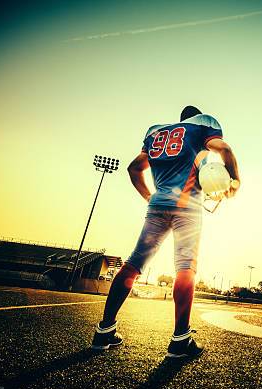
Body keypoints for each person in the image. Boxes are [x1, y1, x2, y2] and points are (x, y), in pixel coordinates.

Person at [91, 105, 240, 358]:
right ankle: (180, 339)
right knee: (185, 267)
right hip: (187, 207)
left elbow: (134, 168)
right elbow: (224, 149)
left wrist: (150, 197)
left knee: (134, 264)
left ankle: (104, 330)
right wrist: (235, 181)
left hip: (158, 205)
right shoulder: (202, 125)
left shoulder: (156, 133)